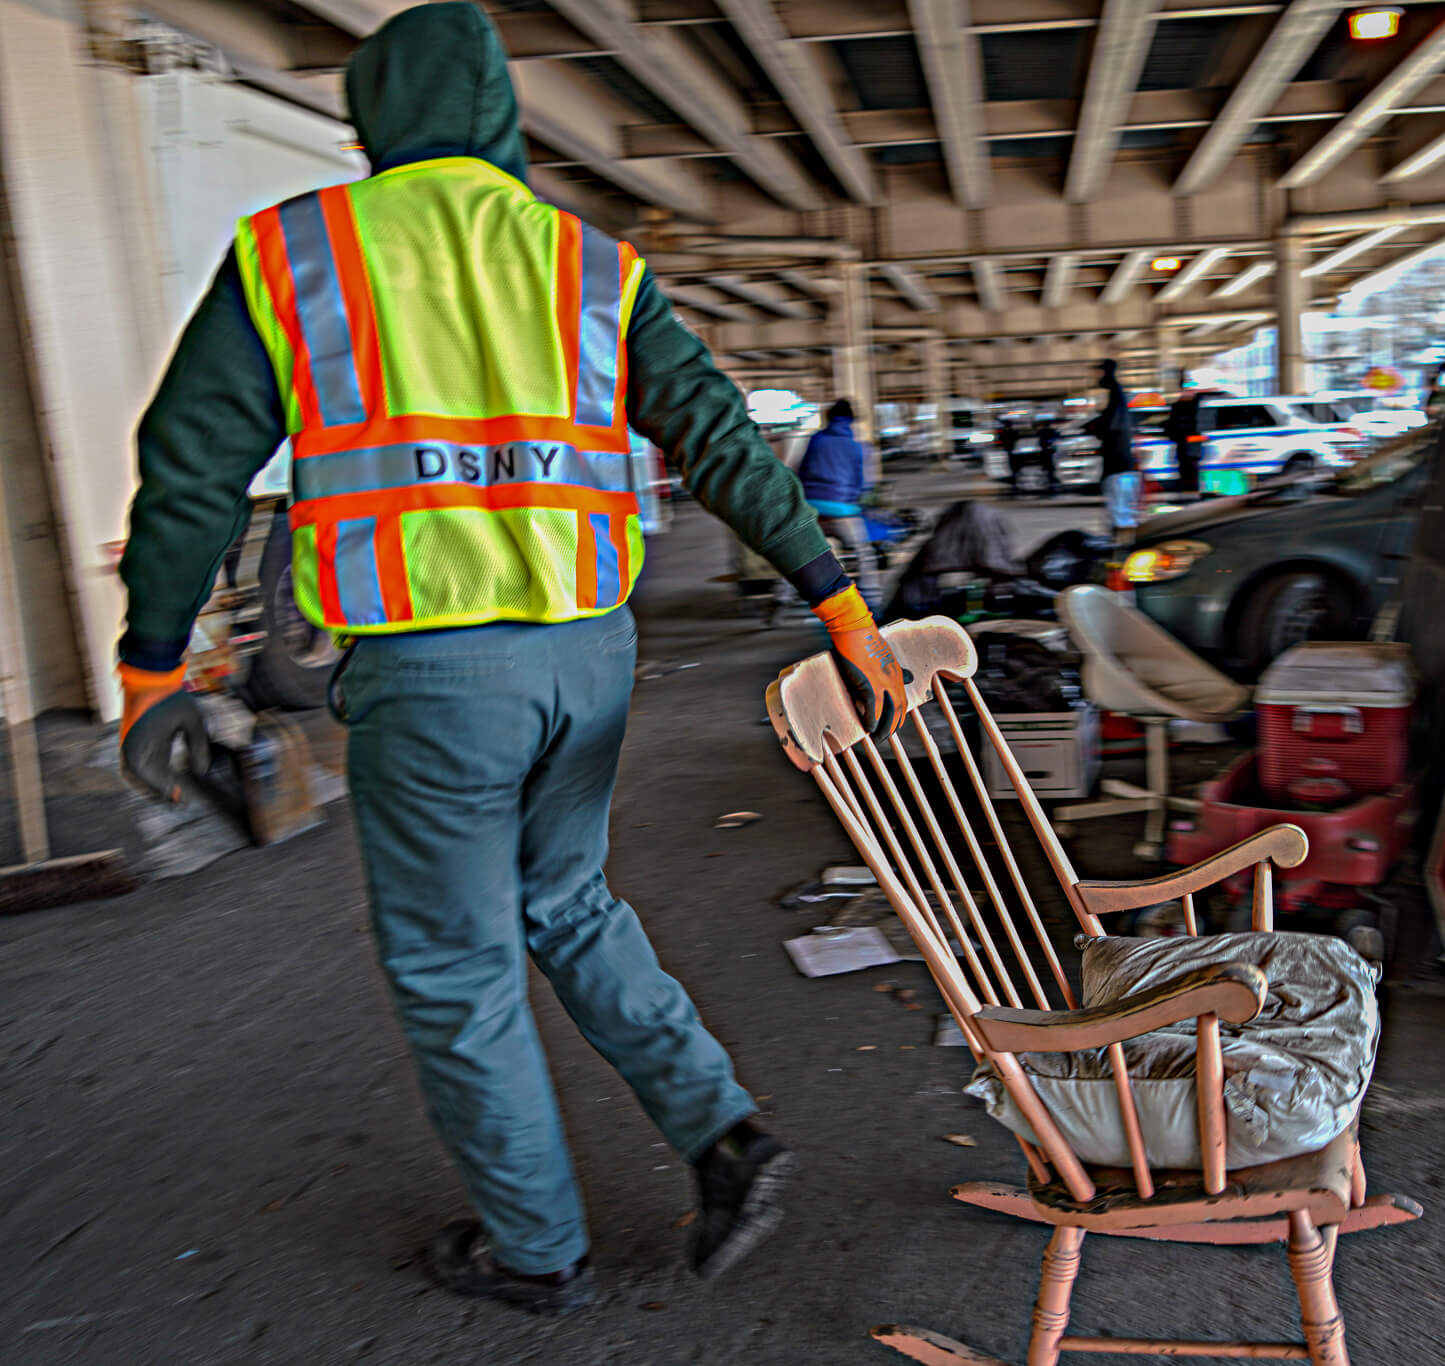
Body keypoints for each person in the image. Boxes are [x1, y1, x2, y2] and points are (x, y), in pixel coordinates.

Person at [114, 2, 905, 1319]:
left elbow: (191, 465)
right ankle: (723, 1133)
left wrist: (152, 667)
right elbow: (719, 438)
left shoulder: (298, 253)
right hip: (589, 660)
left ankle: (536, 1249)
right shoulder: (588, 262)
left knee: (456, 962)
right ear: (498, 116)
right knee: (571, 902)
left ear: (377, 114)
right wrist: (839, 603)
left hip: (434, 675)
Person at [797, 399, 881, 609]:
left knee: (800, 555)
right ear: (851, 420)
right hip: (843, 511)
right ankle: (872, 601)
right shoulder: (857, 446)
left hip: (813, 510)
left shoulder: (816, 439)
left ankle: (782, 599)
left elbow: (802, 471)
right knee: (864, 556)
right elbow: (863, 483)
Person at [1084, 359, 1139, 534]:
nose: (1095, 376)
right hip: (1121, 466)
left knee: (1120, 517)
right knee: (1122, 515)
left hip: (1118, 467)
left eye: (1098, 372)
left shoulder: (1115, 393)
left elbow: (1111, 427)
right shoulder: (1116, 395)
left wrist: (1093, 427)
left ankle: (1122, 551)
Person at [1164, 375, 1205, 497]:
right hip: (1184, 450)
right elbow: (1171, 428)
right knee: (1187, 478)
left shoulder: (1198, 405)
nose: (1188, 392)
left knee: (1192, 478)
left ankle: (1192, 498)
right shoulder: (1178, 406)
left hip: (1191, 450)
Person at [1032, 415, 1063, 497]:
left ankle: (1049, 483)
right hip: (1050, 451)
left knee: (1046, 467)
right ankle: (1052, 482)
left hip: (1044, 451)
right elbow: (1057, 437)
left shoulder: (1041, 431)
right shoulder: (1052, 431)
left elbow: (1038, 438)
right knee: (1050, 468)